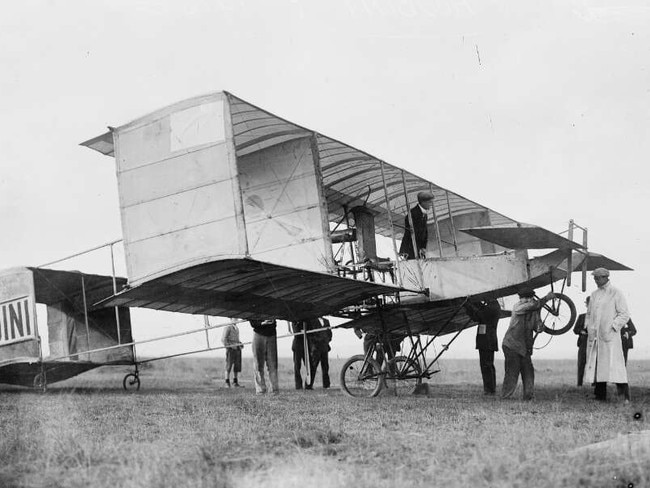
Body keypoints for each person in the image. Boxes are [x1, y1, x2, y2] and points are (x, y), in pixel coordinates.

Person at [584, 268, 631, 402]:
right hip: (596, 337)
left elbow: (624, 314)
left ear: (605, 277)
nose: (595, 280)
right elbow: (589, 314)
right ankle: (600, 396)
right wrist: (589, 327)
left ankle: (624, 397)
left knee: (616, 366)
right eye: (594, 278)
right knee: (599, 365)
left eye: (597, 278)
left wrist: (613, 327)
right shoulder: (594, 294)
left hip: (610, 337)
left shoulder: (616, 293)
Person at [501, 288, 552, 400]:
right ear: (522, 299)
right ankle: (506, 396)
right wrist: (546, 299)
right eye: (525, 299)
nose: (527, 301)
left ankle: (528, 396)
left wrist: (540, 327)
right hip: (512, 345)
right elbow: (532, 306)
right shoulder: (518, 307)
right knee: (512, 372)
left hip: (525, 347)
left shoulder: (534, 310)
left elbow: (536, 325)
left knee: (528, 371)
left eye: (529, 298)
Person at [466, 299, 501, 395]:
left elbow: (480, 315)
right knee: (487, 365)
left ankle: (489, 390)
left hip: (487, 340)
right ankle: (489, 389)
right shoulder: (492, 306)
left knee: (486, 365)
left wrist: (469, 304)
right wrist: (472, 304)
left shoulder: (492, 307)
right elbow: (477, 316)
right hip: (486, 340)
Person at [398, 191, 434, 259]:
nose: (431, 204)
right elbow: (409, 233)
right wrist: (404, 251)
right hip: (410, 250)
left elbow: (425, 232)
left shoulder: (424, 215)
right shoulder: (412, 213)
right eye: (430, 202)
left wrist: (423, 247)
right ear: (423, 202)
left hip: (418, 250)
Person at [249, 318, 279, 395]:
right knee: (258, 364)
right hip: (259, 334)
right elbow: (252, 322)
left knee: (273, 364)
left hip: (271, 334)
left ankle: (274, 389)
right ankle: (260, 390)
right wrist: (262, 322)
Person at [306, 317, 333, 389]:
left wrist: (326, 340)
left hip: (324, 347)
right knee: (313, 366)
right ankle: (308, 385)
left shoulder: (326, 321)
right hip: (316, 348)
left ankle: (326, 385)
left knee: (325, 367)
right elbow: (310, 334)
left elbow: (330, 334)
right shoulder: (312, 321)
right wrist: (317, 341)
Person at [572, 297, 589, 386]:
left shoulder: (598, 316)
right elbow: (575, 329)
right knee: (581, 363)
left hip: (594, 342)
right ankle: (579, 383)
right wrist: (581, 331)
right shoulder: (582, 316)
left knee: (594, 363)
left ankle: (595, 383)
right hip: (583, 342)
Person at [221, 321, 244, 387]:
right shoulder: (228, 327)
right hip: (230, 350)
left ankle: (235, 382)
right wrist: (230, 346)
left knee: (237, 366)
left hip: (237, 349)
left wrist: (240, 344)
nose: (236, 319)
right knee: (228, 366)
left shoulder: (236, 328)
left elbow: (237, 339)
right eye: (234, 318)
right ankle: (227, 382)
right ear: (230, 319)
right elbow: (223, 339)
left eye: (236, 318)